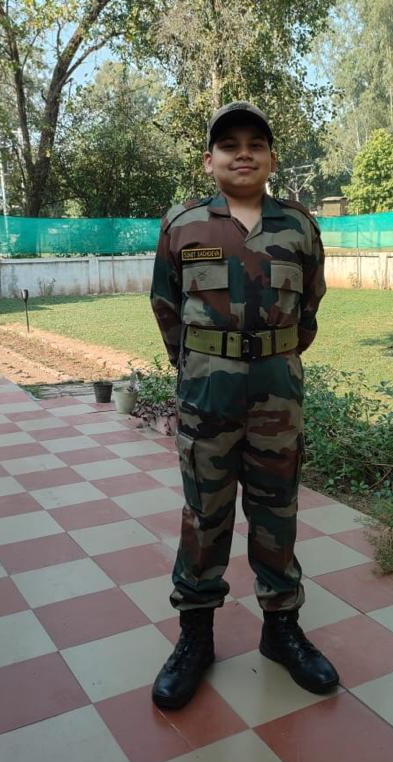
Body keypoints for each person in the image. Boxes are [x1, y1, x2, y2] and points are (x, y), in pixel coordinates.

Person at [149, 101, 339, 709]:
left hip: (277, 393)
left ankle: (281, 629)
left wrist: (272, 356)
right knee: (205, 513)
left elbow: (310, 306)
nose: (243, 154)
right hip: (208, 391)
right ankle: (195, 636)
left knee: (277, 510)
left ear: (271, 159)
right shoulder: (183, 224)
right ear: (209, 161)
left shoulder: (299, 226)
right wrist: (203, 364)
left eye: (256, 144)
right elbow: (165, 306)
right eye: (229, 145)